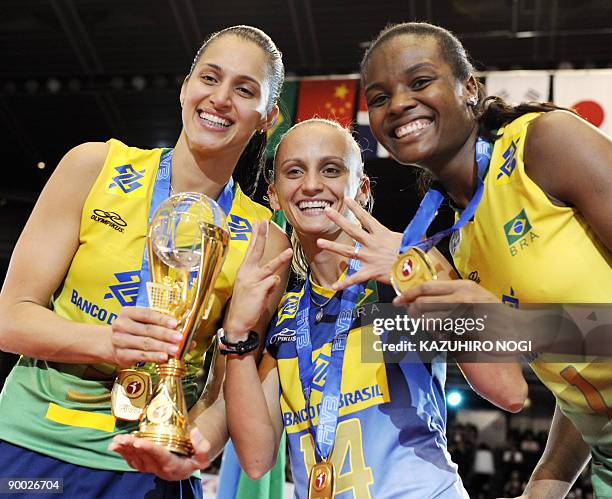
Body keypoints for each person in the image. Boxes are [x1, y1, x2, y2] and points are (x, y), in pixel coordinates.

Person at [0, 25, 291, 498]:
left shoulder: (265, 240)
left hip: (152, 469)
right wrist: (109, 341)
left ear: (268, 117)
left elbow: (227, 381)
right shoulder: (93, 167)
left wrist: (197, 446)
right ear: (185, 87)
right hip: (30, 449)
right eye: (209, 77)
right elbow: (9, 318)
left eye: (244, 89)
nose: (220, 98)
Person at [322, 21, 611, 498]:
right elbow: (575, 382)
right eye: (378, 97)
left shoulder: (545, 143)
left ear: (469, 88)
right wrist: (546, 483)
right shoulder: (453, 239)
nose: (397, 105)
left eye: (419, 82)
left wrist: (510, 325)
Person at [217, 118, 526, 498]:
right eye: (294, 171)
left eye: (331, 169)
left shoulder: (398, 284)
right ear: (274, 195)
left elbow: (509, 391)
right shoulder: (286, 316)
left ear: (361, 189)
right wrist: (235, 335)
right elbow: (257, 458)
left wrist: (416, 273)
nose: (311, 184)